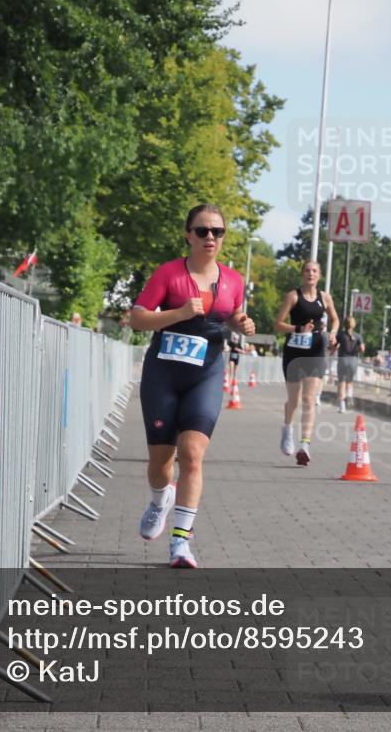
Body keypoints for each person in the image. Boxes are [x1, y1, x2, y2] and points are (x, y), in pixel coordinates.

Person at [128, 204, 255, 568]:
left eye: (217, 231)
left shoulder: (233, 280)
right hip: (163, 374)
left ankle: (181, 541)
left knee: (192, 453)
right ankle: (159, 501)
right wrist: (180, 313)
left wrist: (241, 323)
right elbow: (137, 318)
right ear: (188, 235)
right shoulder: (168, 273)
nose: (210, 237)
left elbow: (232, 313)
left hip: (206, 373)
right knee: (160, 462)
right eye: (202, 230)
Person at [274, 260, 339, 466]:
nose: (311, 274)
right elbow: (278, 324)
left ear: (319, 275)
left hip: (316, 349)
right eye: (307, 271)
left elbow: (335, 319)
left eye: (314, 271)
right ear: (302, 274)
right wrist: (298, 329)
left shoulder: (325, 297)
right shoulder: (293, 296)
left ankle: (305, 445)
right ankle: (287, 430)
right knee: (294, 400)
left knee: (309, 399)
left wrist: (333, 334)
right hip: (294, 351)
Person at [335, 316, 364, 413]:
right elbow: (362, 349)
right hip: (353, 360)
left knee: (342, 382)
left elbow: (333, 346)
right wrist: (356, 350)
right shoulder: (358, 336)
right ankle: (349, 396)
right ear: (354, 325)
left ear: (344, 324)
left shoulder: (340, 335)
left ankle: (342, 406)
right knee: (350, 381)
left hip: (342, 359)